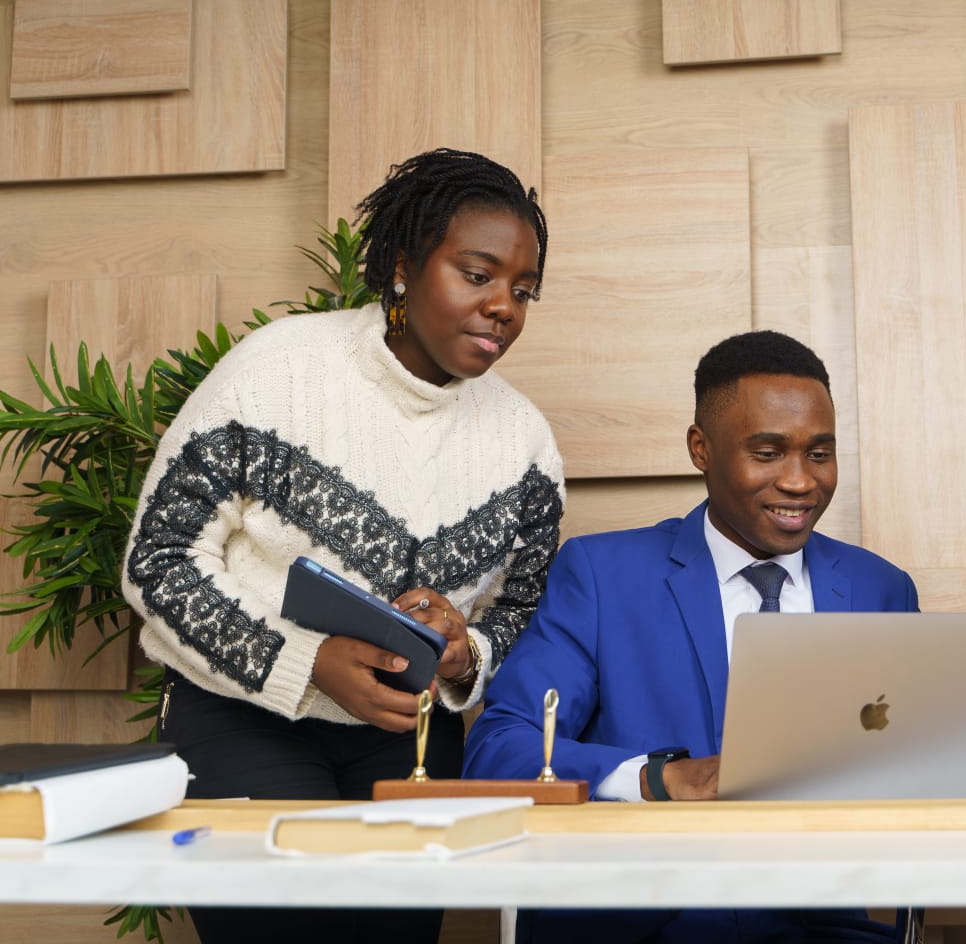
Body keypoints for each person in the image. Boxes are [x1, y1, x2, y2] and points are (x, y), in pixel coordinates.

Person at [121, 148, 564, 944]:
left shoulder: (524, 443)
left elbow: (525, 608)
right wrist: (306, 662)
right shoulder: (278, 373)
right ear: (402, 268)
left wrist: (464, 653)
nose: (503, 306)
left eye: (523, 290)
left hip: (409, 739)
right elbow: (159, 559)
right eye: (477, 275)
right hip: (242, 717)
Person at [464, 330, 919, 944]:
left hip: (820, 923)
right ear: (700, 449)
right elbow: (500, 748)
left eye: (819, 454)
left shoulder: (881, 588)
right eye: (767, 453)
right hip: (641, 924)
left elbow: (930, 763)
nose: (799, 481)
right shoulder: (602, 575)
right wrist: (657, 779)